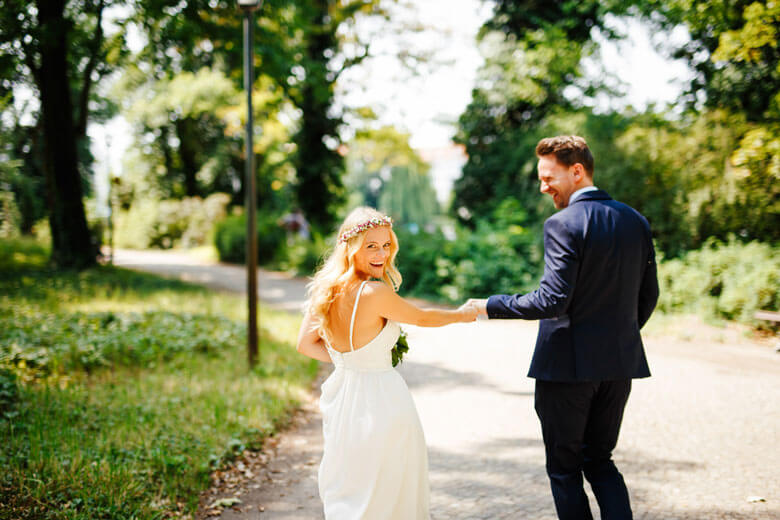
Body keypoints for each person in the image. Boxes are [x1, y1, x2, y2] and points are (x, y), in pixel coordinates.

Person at [468, 136, 659, 519]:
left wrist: (489, 305)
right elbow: (648, 296)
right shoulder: (635, 221)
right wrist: (617, 335)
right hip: (619, 366)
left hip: (566, 369)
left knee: (565, 469)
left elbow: (551, 300)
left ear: (576, 170)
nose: (543, 187)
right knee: (601, 461)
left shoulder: (564, 223)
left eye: (548, 177)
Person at [296, 206, 478, 519]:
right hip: (382, 402)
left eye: (386, 245)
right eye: (371, 246)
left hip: (344, 400)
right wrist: (462, 314)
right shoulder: (373, 292)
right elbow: (422, 316)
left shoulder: (327, 290)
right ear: (352, 249)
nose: (381, 254)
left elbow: (305, 344)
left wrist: (347, 361)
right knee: (389, 489)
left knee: (354, 486)